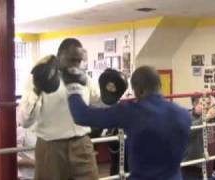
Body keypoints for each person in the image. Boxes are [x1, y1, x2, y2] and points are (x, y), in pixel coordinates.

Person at [65, 66, 191, 179]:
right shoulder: (184, 114)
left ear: (138, 90)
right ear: (159, 86)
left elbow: (81, 115)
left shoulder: (130, 111)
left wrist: (73, 87)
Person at [18, 38, 102, 179]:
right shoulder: (38, 77)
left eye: (78, 61)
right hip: (51, 148)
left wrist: (111, 93)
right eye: (71, 60)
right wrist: (37, 89)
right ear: (59, 56)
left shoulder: (84, 78)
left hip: (82, 144)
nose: (76, 65)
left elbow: (99, 100)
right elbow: (25, 121)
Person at [182, 96, 215, 180]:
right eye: (202, 104)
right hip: (194, 166)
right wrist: (205, 118)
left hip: (211, 162)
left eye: (208, 104)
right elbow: (187, 132)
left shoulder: (212, 117)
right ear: (194, 104)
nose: (206, 106)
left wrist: (214, 106)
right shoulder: (186, 116)